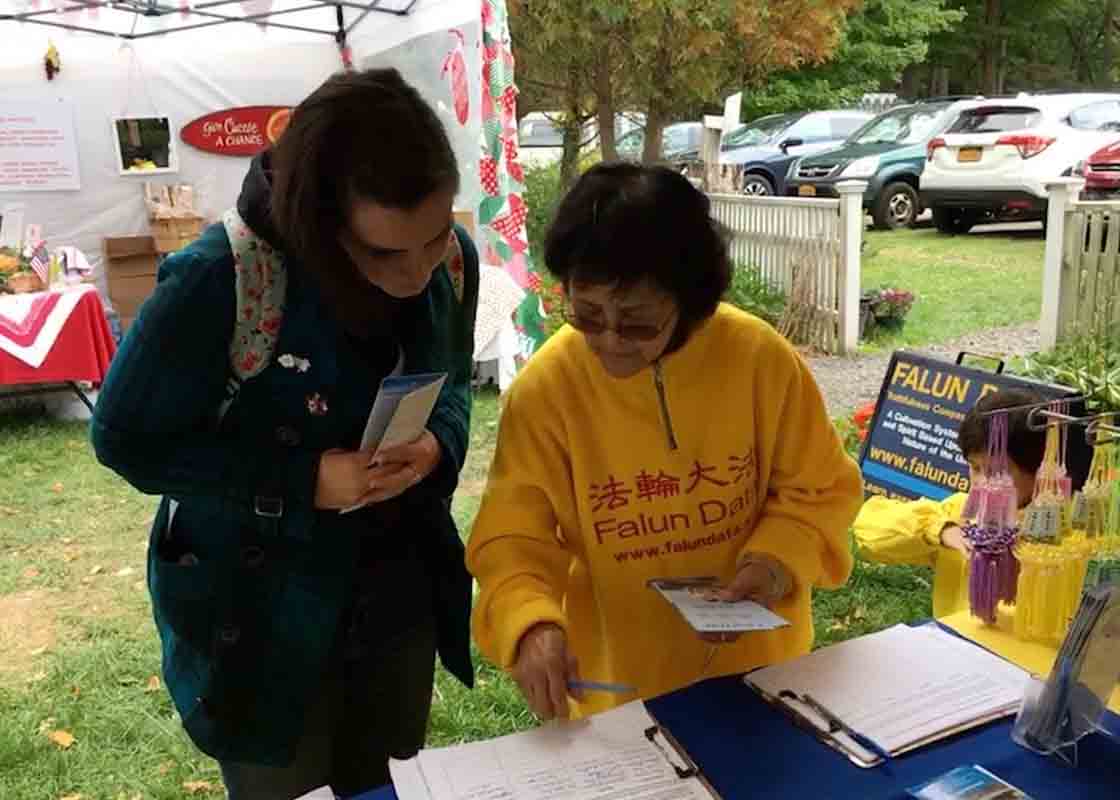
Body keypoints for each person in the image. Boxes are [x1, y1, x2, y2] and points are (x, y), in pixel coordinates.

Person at [91, 68, 478, 798]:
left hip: (396, 601)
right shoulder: (219, 280)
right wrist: (299, 481)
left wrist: (437, 445)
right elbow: (125, 440)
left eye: (433, 236)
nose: (421, 268)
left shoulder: (451, 258)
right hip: (263, 618)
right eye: (386, 254)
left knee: (388, 783)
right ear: (317, 226)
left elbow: (453, 382)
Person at [466, 162, 863, 722]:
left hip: (764, 676)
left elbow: (820, 489)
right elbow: (511, 539)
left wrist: (775, 564)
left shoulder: (758, 359)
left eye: (636, 324)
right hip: (619, 691)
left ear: (690, 303)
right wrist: (529, 622)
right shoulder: (547, 390)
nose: (607, 342)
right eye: (586, 317)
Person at [854, 389, 1054, 617]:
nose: (981, 483)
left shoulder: (1055, 530)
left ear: (1039, 471)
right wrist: (939, 530)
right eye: (975, 468)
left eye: (998, 473)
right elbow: (868, 533)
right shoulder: (960, 515)